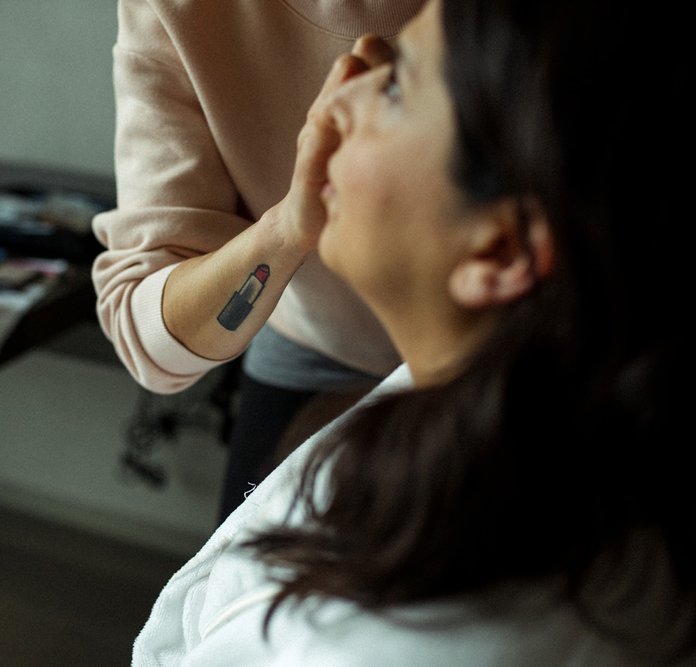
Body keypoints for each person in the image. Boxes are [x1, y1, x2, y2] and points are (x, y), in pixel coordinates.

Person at [131, 0, 695, 663]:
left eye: (395, 83)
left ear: (500, 251)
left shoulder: (393, 644)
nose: (333, 102)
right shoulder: (520, 395)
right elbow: (143, 324)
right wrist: (288, 225)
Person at [92, 0, 427, 521]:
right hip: (319, 344)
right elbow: (147, 336)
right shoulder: (180, 11)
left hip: (537, 352)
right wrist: (288, 228)